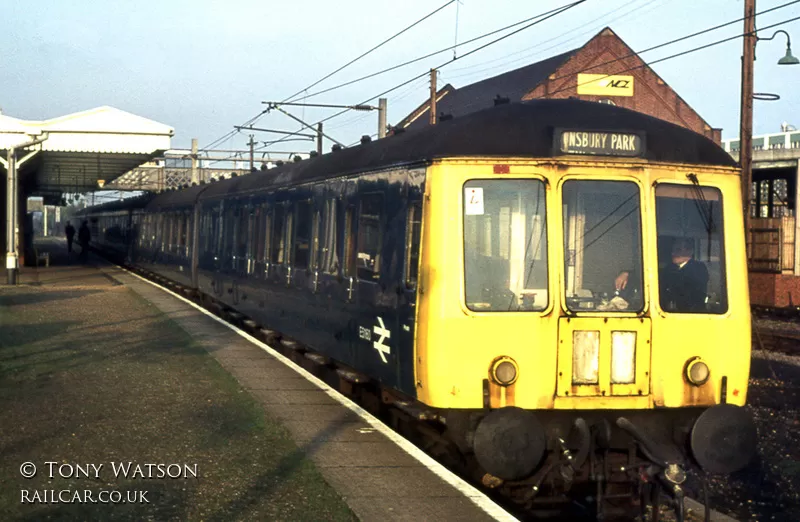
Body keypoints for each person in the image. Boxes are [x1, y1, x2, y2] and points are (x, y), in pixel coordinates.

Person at [660, 237, 708, 313]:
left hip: (692, 312)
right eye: (673, 250)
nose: (673, 253)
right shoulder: (668, 269)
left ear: (690, 252)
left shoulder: (698, 268)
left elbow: (695, 291)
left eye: (678, 250)